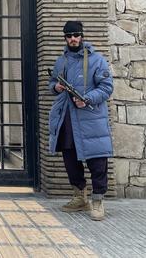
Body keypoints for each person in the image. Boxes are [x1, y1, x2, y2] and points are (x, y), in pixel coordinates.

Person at [48, 20, 113, 221]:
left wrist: (87, 99)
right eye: (69, 36)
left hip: (91, 117)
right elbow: (52, 82)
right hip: (67, 118)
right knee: (69, 159)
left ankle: (98, 200)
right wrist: (55, 88)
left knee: (97, 161)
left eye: (76, 35)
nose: (73, 39)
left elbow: (106, 87)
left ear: (82, 35)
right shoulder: (62, 61)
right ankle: (80, 197)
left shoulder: (97, 60)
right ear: (65, 38)